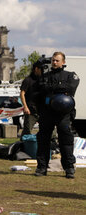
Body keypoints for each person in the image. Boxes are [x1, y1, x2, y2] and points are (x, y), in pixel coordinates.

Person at [35, 51, 80, 179]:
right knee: (43, 140)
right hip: (47, 112)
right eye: (53, 60)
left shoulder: (70, 75)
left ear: (63, 62)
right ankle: (42, 167)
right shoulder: (45, 76)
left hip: (63, 114)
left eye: (57, 60)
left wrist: (53, 88)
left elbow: (71, 88)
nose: (54, 62)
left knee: (66, 141)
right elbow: (41, 89)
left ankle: (69, 168)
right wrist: (60, 88)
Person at [20, 62, 43, 137]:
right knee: (27, 130)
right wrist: (25, 107)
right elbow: (22, 93)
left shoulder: (43, 80)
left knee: (48, 129)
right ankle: (23, 146)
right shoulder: (28, 80)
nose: (42, 71)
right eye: (41, 69)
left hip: (42, 109)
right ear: (36, 69)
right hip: (31, 110)